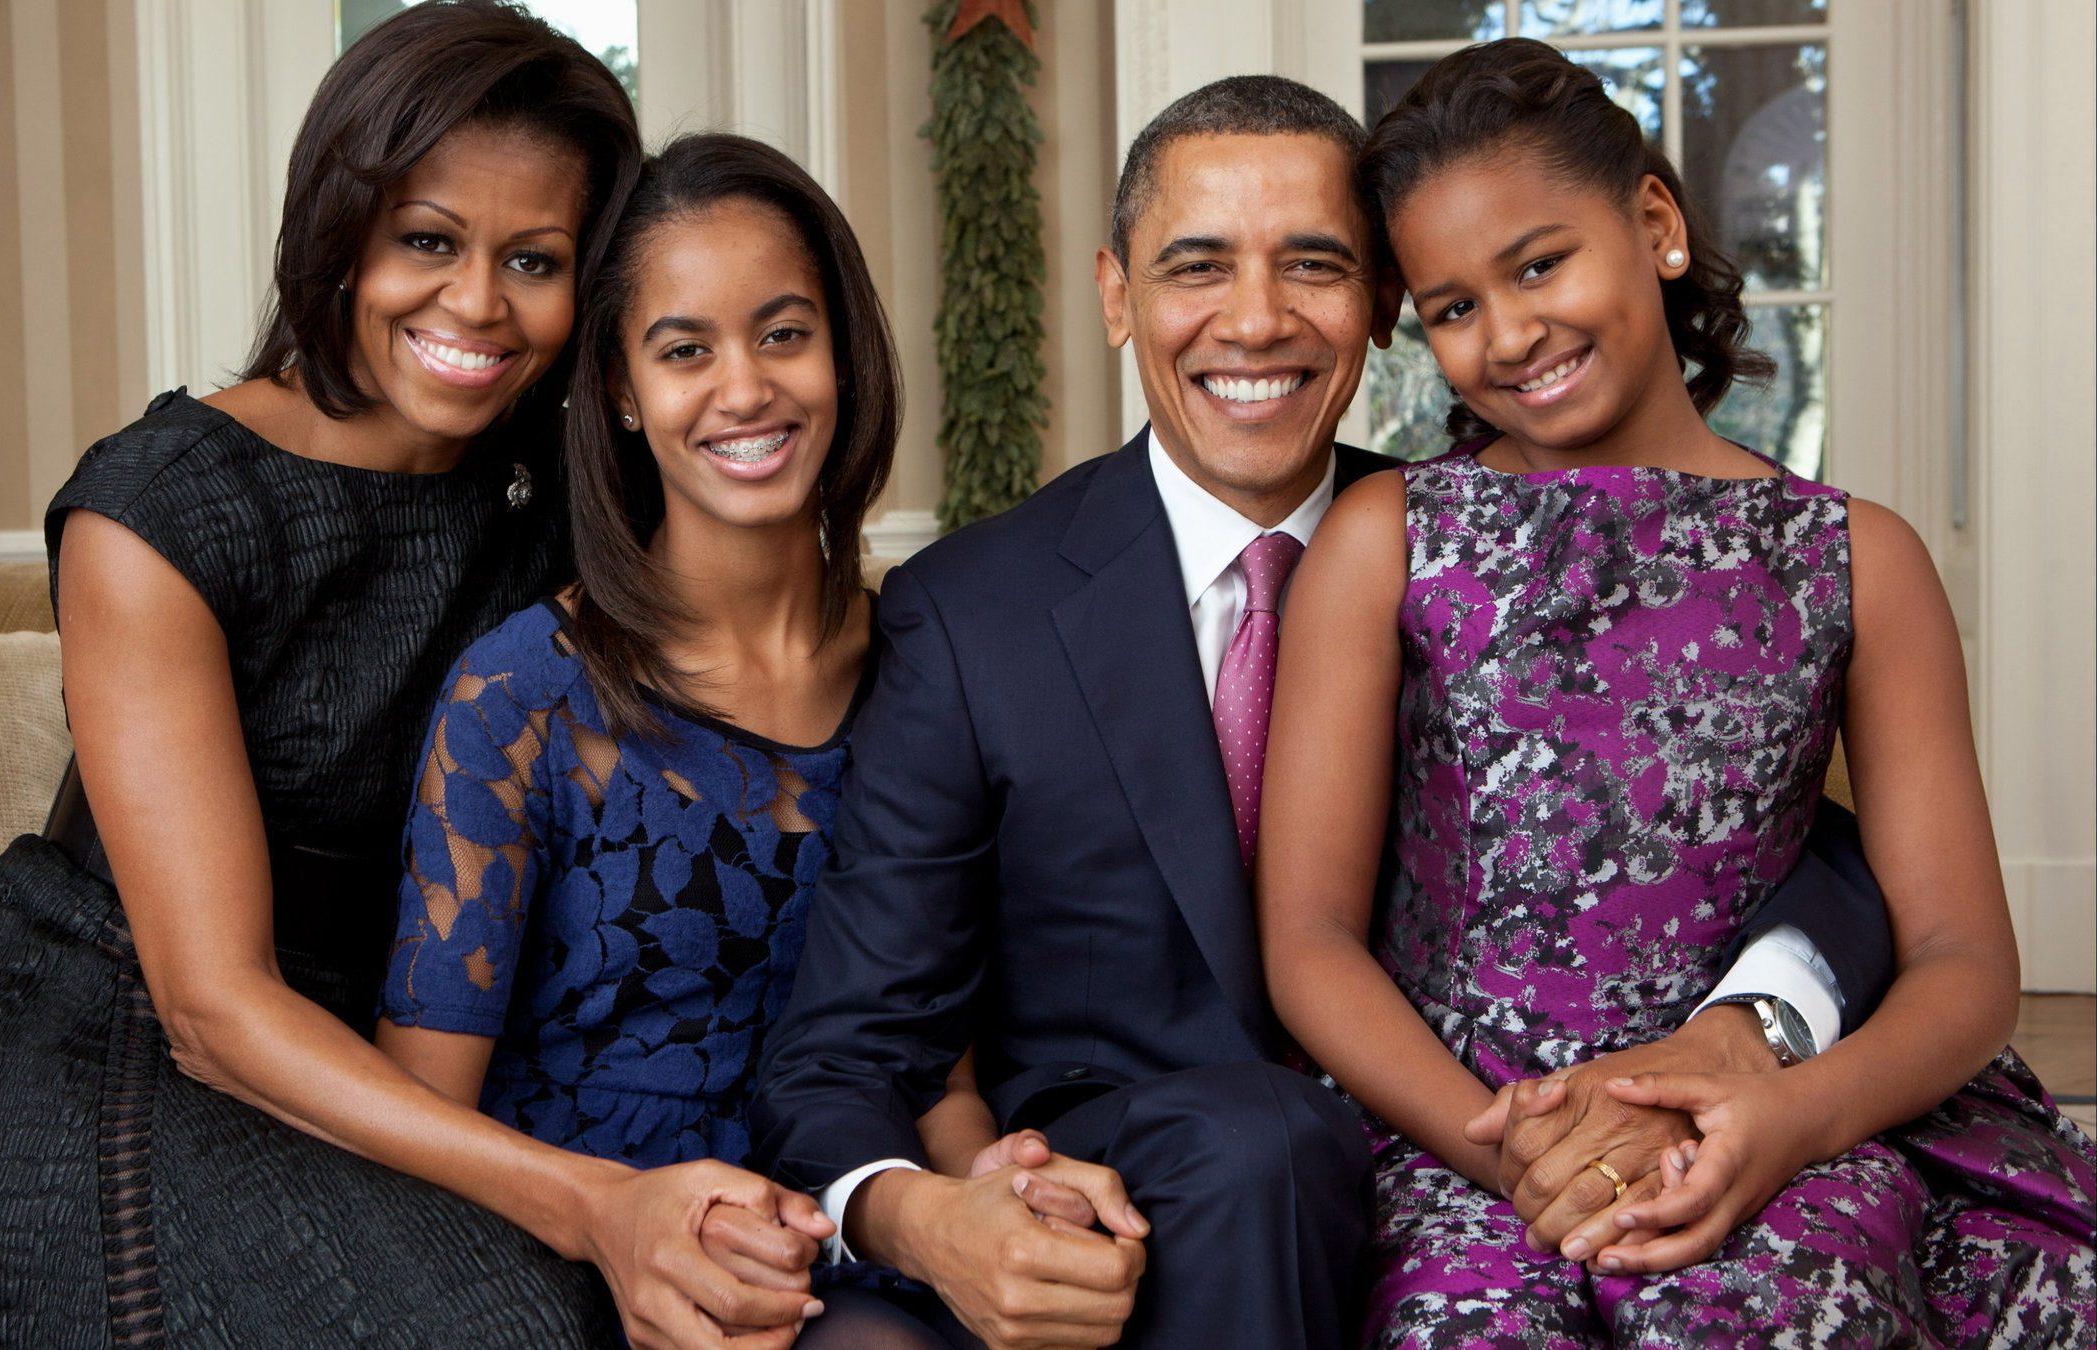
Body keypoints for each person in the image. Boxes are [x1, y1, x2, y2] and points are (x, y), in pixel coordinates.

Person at [751, 73, 1901, 1350]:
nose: (1255, 321)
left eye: (1312, 264)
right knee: (1262, 1142)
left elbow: (1754, 821)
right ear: (1116, 297)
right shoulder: (973, 614)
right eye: (1195, 268)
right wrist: (928, 1213)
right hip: (1163, 1195)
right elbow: (847, 1044)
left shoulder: (1478, 553)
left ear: (1381, 303)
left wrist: (1758, 1012)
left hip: (1480, 1144)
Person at [0, 6, 650, 1344]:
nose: (477, 303)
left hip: (364, 1041)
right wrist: (587, 1198)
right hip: (87, 1026)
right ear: (338, 229)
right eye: (425, 239)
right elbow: (212, 1002)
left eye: (534, 258)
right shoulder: (163, 507)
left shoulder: (558, 498)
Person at [1258, 37, 2097, 1349]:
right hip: (1463, 1130)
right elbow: (1307, 938)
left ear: (1651, 222)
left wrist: (1784, 1121)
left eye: (1538, 263)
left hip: (1772, 1126)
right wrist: (1518, 1158)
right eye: (1450, 307)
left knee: (1780, 1307)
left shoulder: (1855, 557)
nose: (1508, 332)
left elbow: (1961, 962)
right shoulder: (1389, 534)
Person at [372, 132, 984, 1350]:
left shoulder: (939, 663)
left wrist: (987, 1194)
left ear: (843, 355)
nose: (743, 389)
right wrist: (615, 1223)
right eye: (683, 350)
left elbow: (943, 1063)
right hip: (590, 1263)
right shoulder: (522, 697)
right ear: (617, 387)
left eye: (782, 334)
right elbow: (420, 1119)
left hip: (864, 1231)